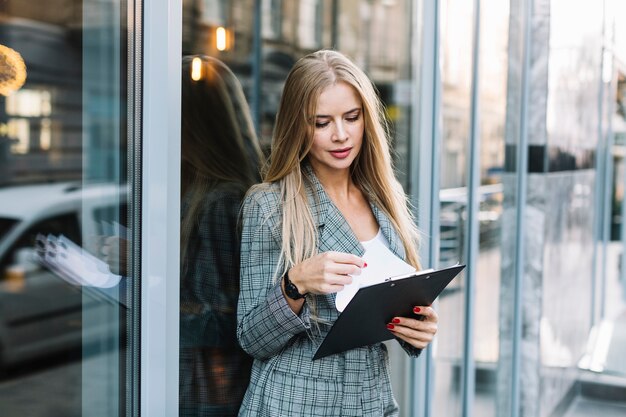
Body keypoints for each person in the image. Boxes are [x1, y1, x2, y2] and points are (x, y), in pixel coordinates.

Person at [237, 50, 438, 416]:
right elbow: (251, 338)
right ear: (300, 127)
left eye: (351, 117)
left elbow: (393, 311)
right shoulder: (270, 205)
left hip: (371, 401)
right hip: (294, 403)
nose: (341, 134)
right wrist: (294, 284)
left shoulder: (385, 201)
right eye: (321, 122)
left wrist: (418, 330)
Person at [178, 55, 261, 417]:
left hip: (211, 391)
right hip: (204, 385)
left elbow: (227, 322)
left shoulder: (221, 202)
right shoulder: (205, 192)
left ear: (192, 126)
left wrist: (144, 284)